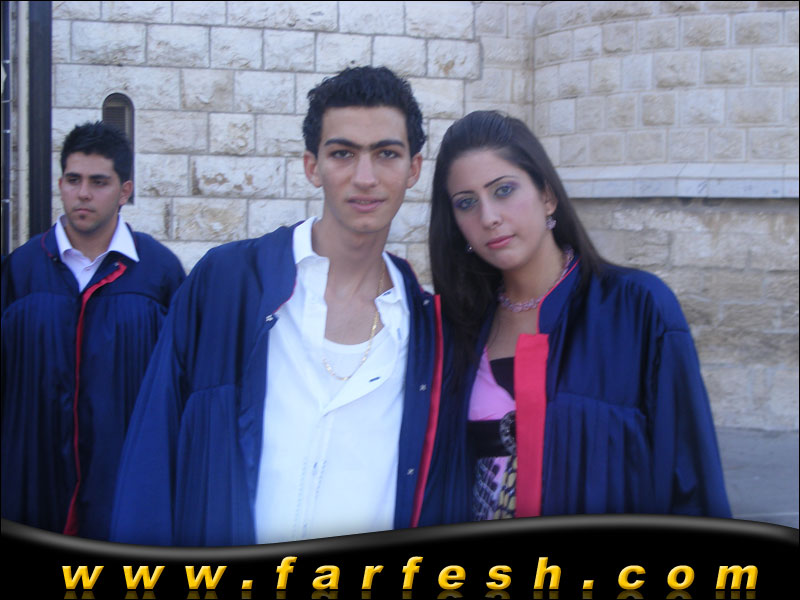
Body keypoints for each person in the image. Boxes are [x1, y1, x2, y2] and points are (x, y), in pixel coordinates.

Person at [110, 66, 451, 546]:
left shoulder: (429, 332)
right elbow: (151, 455)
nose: (365, 177)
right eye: (343, 153)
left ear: (413, 169)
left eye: (386, 154)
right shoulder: (227, 284)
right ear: (312, 166)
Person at [427, 111, 731, 520]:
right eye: (466, 203)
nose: (488, 217)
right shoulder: (455, 330)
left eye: (503, 190)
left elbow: (691, 476)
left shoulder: (638, 307)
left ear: (547, 196)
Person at [1, 121, 186, 539]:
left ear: (124, 191)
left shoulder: (158, 274)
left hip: (123, 483)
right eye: (73, 180)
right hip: (32, 482)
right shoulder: (21, 270)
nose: (83, 193)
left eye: (99, 182)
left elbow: (181, 385)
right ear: (61, 184)